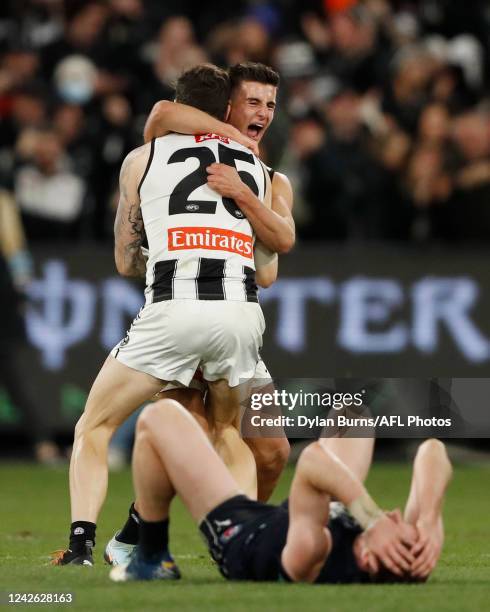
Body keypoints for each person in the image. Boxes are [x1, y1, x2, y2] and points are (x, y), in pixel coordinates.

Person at [53, 64, 292, 567]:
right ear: (228, 109)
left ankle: (82, 546)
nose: (262, 115)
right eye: (253, 103)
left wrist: (168, 246)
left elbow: (124, 260)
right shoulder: (258, 169)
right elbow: (268, 269)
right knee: (221, 431)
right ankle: (215, 544)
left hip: (173, 315)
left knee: (94, 428)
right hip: (238, 319)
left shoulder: (144, 158)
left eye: (270, 105)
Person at [110, 398, 452, 583]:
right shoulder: (412, 549)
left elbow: (312, 463)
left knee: (158, 418)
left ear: (367, 557)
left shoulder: (313, 553)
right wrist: (428, 523)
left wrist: (372, 519)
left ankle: (152, 558)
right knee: (353, 415)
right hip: (295, 518)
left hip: (241, 531)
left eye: (393, 528)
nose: (394, 515)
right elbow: (433, 451)